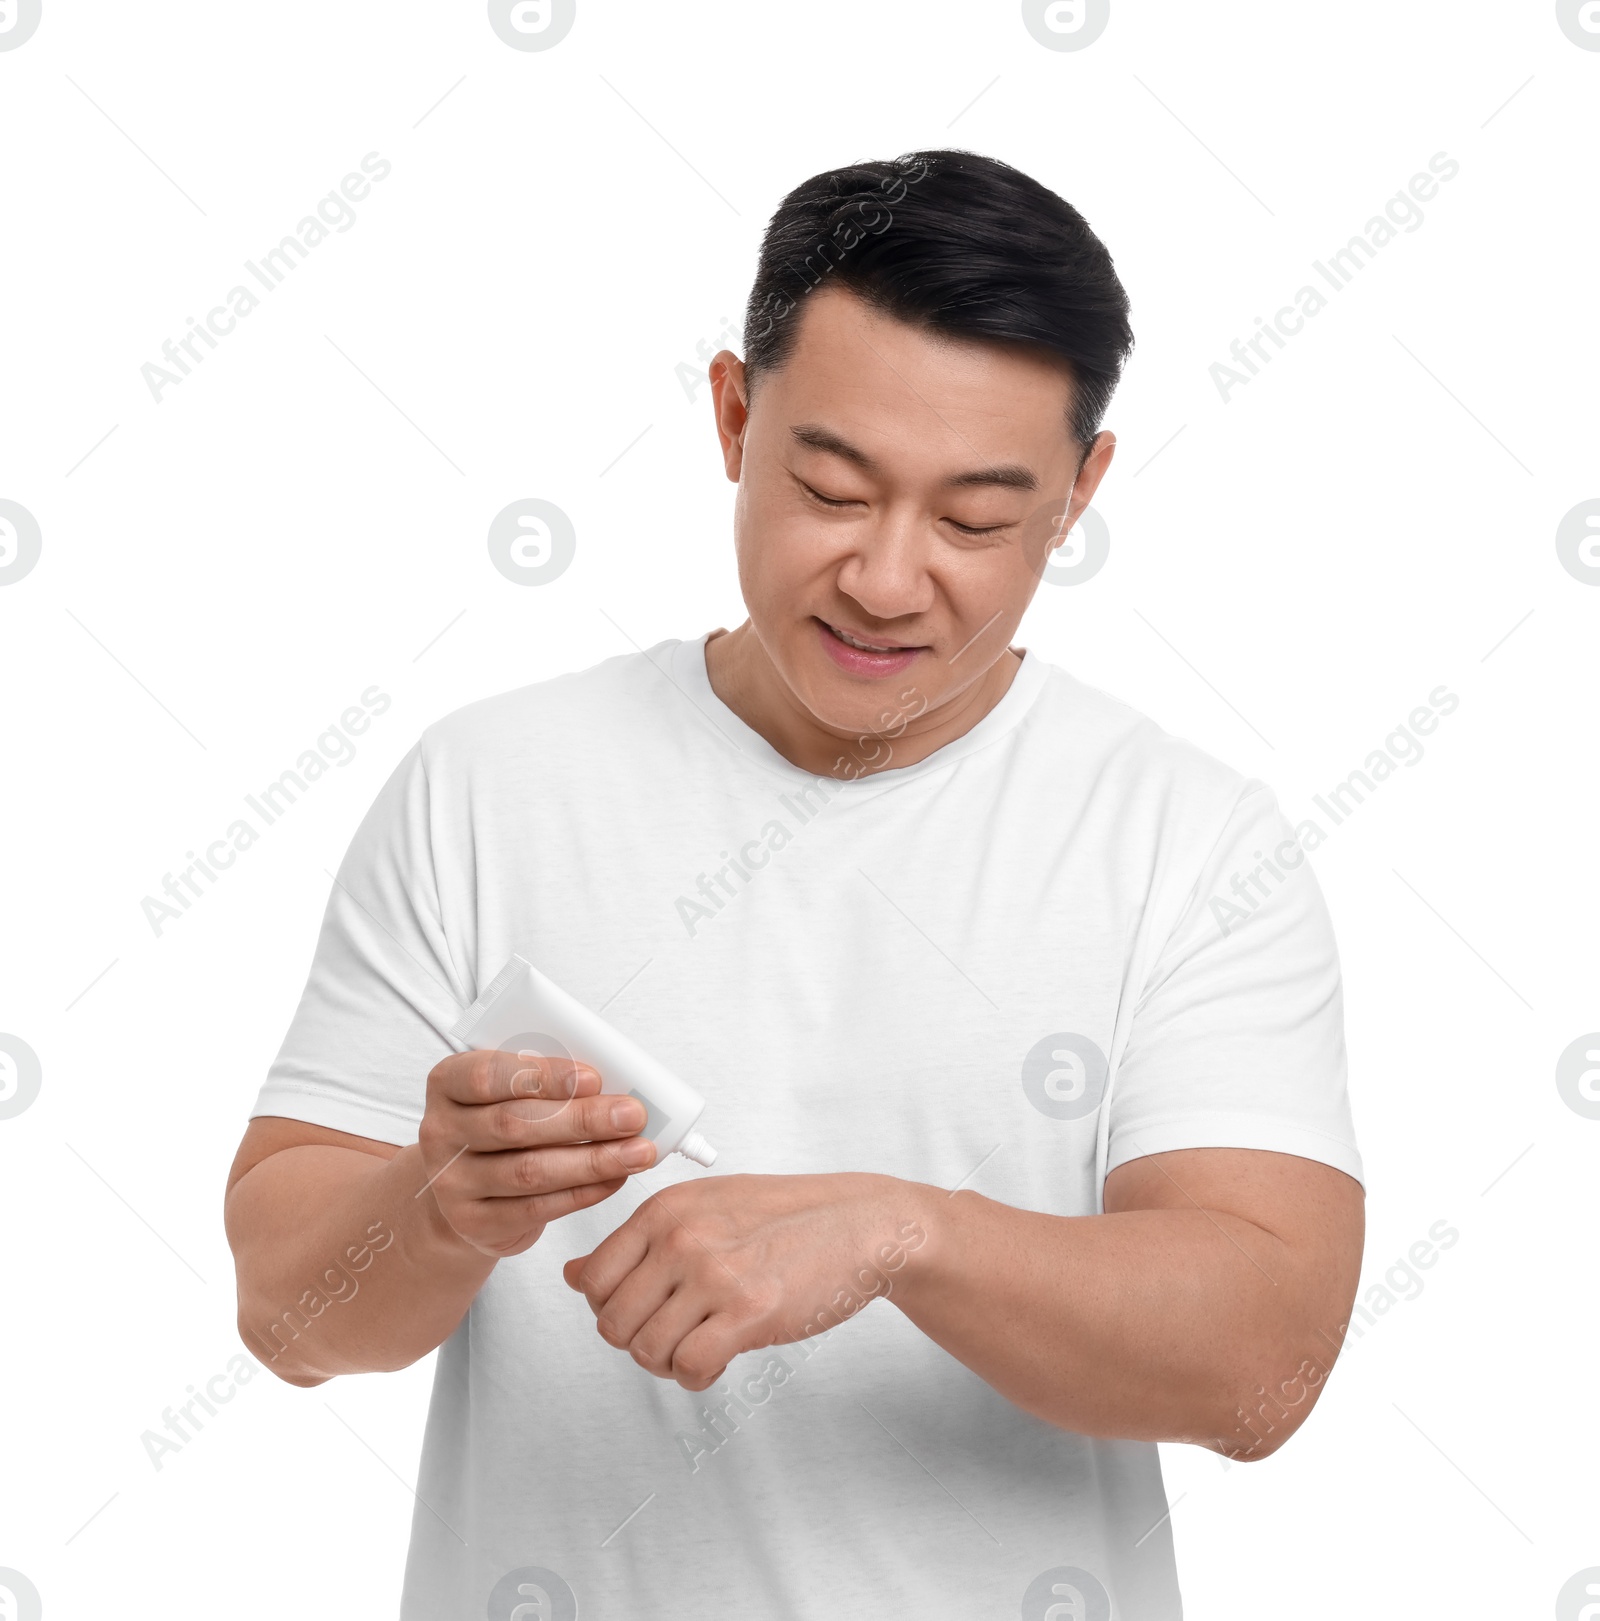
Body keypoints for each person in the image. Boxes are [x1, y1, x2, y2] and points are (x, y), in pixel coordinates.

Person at [225, 148, 1364, 1620]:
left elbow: (1261, 1370)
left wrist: (907, 1235)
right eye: (832, 487)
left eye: (972, 521)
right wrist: (436, 1205)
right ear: (731, 415)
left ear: (1080, 492)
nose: (888, 580)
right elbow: (288, 1315)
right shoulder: (489, 786)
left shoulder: (1190, 844)